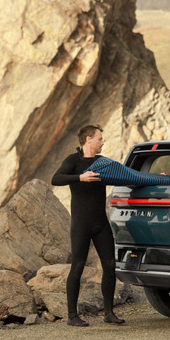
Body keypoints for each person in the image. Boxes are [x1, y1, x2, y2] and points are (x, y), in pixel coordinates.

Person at [51, 124, 125, 327]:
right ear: (88, 139)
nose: (103, 142)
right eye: (100, 138)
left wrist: (156, 178)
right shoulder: (73, 161)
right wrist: (80, 177)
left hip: (101, 223)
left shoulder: (102, 163)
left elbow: (125, 174)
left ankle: (109, 313)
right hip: (81, 225)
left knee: (110, 265)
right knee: (78, 267)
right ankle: (72, 316)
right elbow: (55, 179)